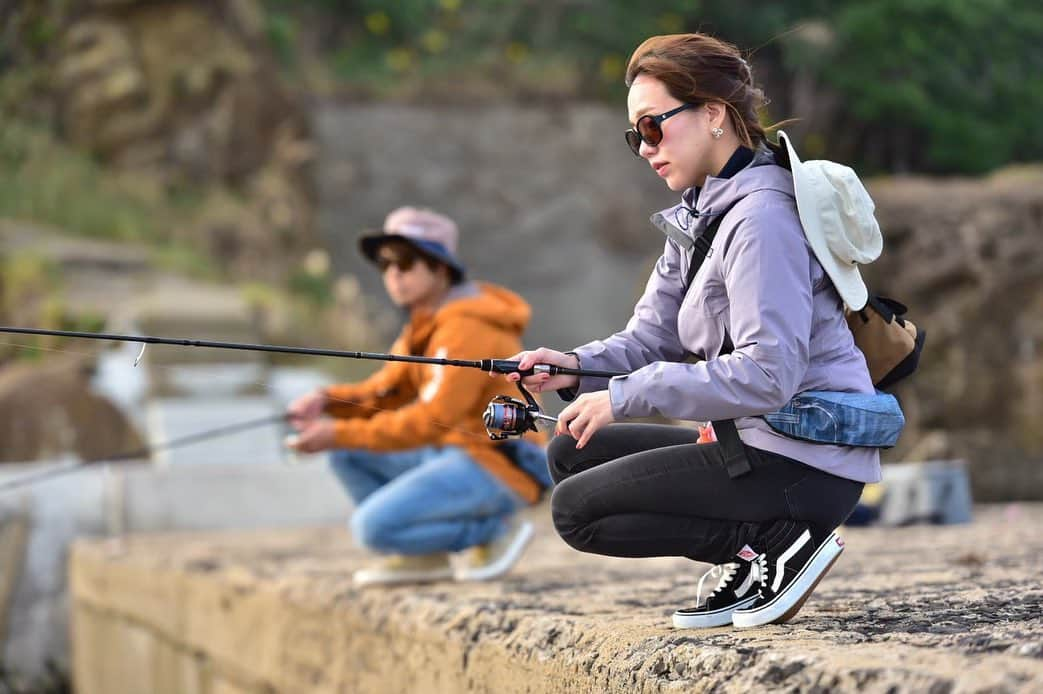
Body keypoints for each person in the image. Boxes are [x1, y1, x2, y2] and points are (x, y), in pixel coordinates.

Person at [506, 33, 884, 629]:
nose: (644, 148)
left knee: (576, 512)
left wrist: (626, 396)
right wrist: (575, 368)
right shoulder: (699, 212)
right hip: (752, 444)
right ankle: (758, 547)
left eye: (653, 127)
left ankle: (777, 546)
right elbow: (651, 338)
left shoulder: (762, 218)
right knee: (570, 451)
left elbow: (768, 374)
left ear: (712, 113)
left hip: (803, 464)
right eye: (636, 136)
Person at [287, 207, 548, 586]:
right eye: (385, 264)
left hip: (500, 466)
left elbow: (430, 419)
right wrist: (326, 401)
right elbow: (386, 392)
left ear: (441, 269)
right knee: (346, 454)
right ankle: (422, 557)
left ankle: (492, 531)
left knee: (369, 529)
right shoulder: (424, 323)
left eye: (407, 262)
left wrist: (336, 431)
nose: (394, 274)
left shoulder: (466, 326)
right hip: (454, 452)